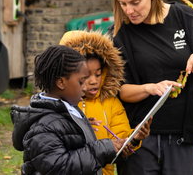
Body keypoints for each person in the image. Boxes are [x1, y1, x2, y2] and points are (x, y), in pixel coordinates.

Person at [108, 0, 193, 175]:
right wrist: (149, 88)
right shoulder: (119, 33)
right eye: (123, 4)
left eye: (135, 2)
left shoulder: (188, 19)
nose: (129, 11)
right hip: (138, 138)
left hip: (184, 137)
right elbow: (119, 91)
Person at [10, 45, 133, 175]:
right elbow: (58, 168)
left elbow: (84, 157)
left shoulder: (72, 110)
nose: (85, 87)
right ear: (61, 82)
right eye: (81, 82)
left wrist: (113, 148)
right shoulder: (42, 126)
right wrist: (102, 148)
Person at [60, 30, 152, 175]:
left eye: (98, 74)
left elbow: (120, 143)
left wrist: (134, 138)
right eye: (86, 75)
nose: (94, 81)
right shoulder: (60, 103)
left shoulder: (111, 104)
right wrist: (77, 130)